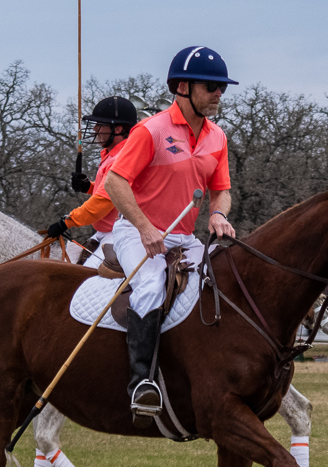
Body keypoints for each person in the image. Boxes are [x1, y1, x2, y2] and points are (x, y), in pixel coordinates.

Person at [104, 46, 238, 426]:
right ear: (182, 87)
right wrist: (144, 226)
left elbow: (221, 188)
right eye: (211, 86)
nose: (219, 93)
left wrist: (217, 213)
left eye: (222, 87)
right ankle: (141, 383)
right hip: (136, 232)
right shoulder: (151, 130)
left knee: (218, 280)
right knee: (148, 286)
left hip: (183, 236)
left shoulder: (218, 138)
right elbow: (115, 182)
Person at [47, 96, 139, 268]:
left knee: (84, 282)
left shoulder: (121, 159)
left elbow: (100, 204)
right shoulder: (111, 155)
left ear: (118, 129)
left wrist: (66, 222)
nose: (95, 129)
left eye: (100, 124)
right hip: (104, 233)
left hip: (120, 234)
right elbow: (113, 192)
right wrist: (89, 186)